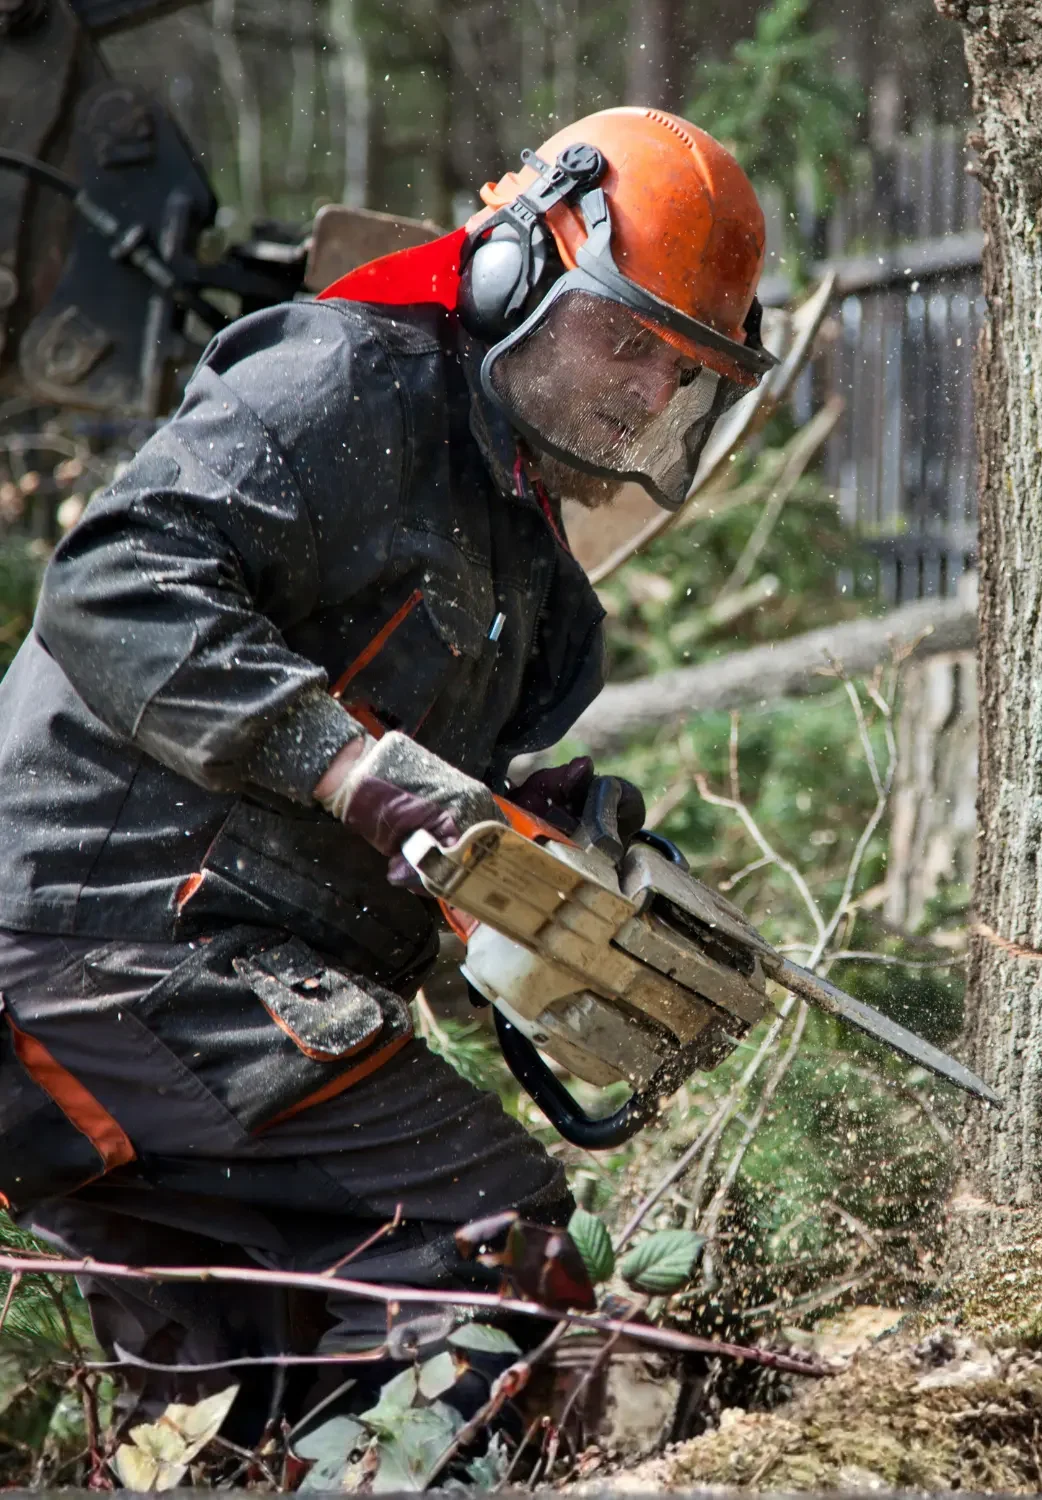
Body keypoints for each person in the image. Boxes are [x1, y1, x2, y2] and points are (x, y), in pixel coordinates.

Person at [0, 106, 771, 1425]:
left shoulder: (528, 558)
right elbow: (117, 584)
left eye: (680, 370)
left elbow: (436, 787)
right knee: (495, 1259)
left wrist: (549, 841)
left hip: (196, 987)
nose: (649, 392)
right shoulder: (341, 381)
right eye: (627, 340)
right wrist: (345, 766)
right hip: (108, 948)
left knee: (263, 1403)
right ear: (515, 269)